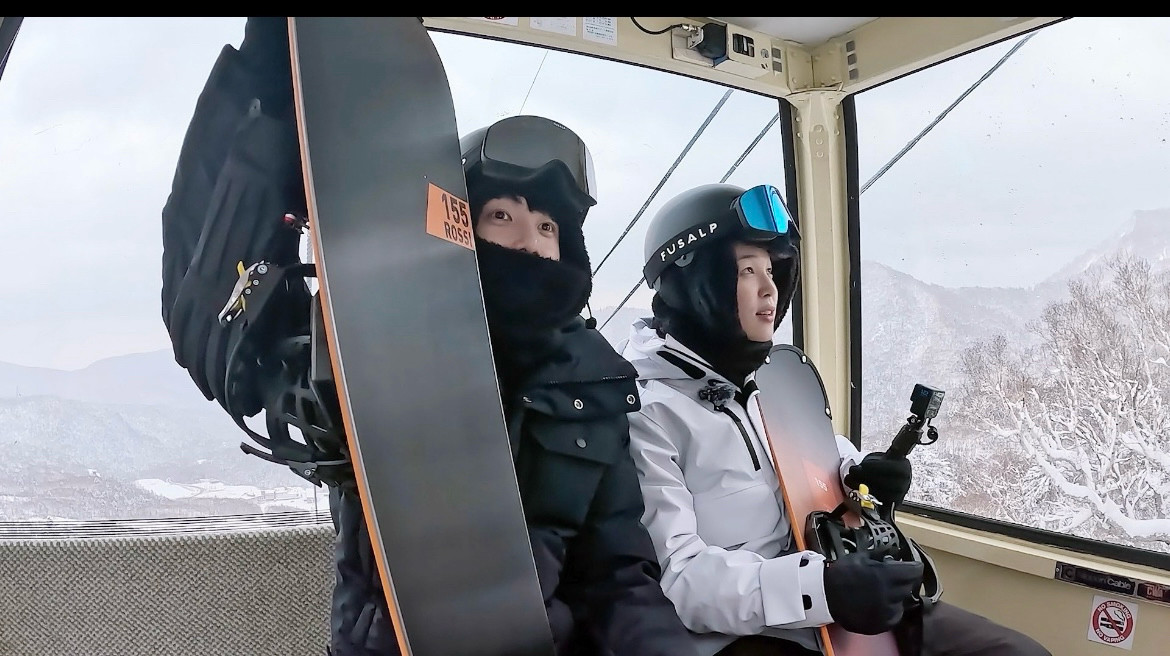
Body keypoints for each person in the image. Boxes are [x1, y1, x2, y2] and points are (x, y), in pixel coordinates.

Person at [618, 183, 1052, 656]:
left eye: (772, 269)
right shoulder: (646, 412)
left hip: (847, 601)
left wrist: (860, 472)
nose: (769, 288)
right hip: (752, 634)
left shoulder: (768, 380)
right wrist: (821, 589)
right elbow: (678, 578)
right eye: (746, 270)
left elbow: (817, 457)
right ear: (693, 284)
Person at [328, 115, 698, 656]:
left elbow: (616, 575)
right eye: (502, 215)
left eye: (548, 227)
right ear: (461, 229)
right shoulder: (387, 354)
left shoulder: (595, 387)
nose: (530, 244)